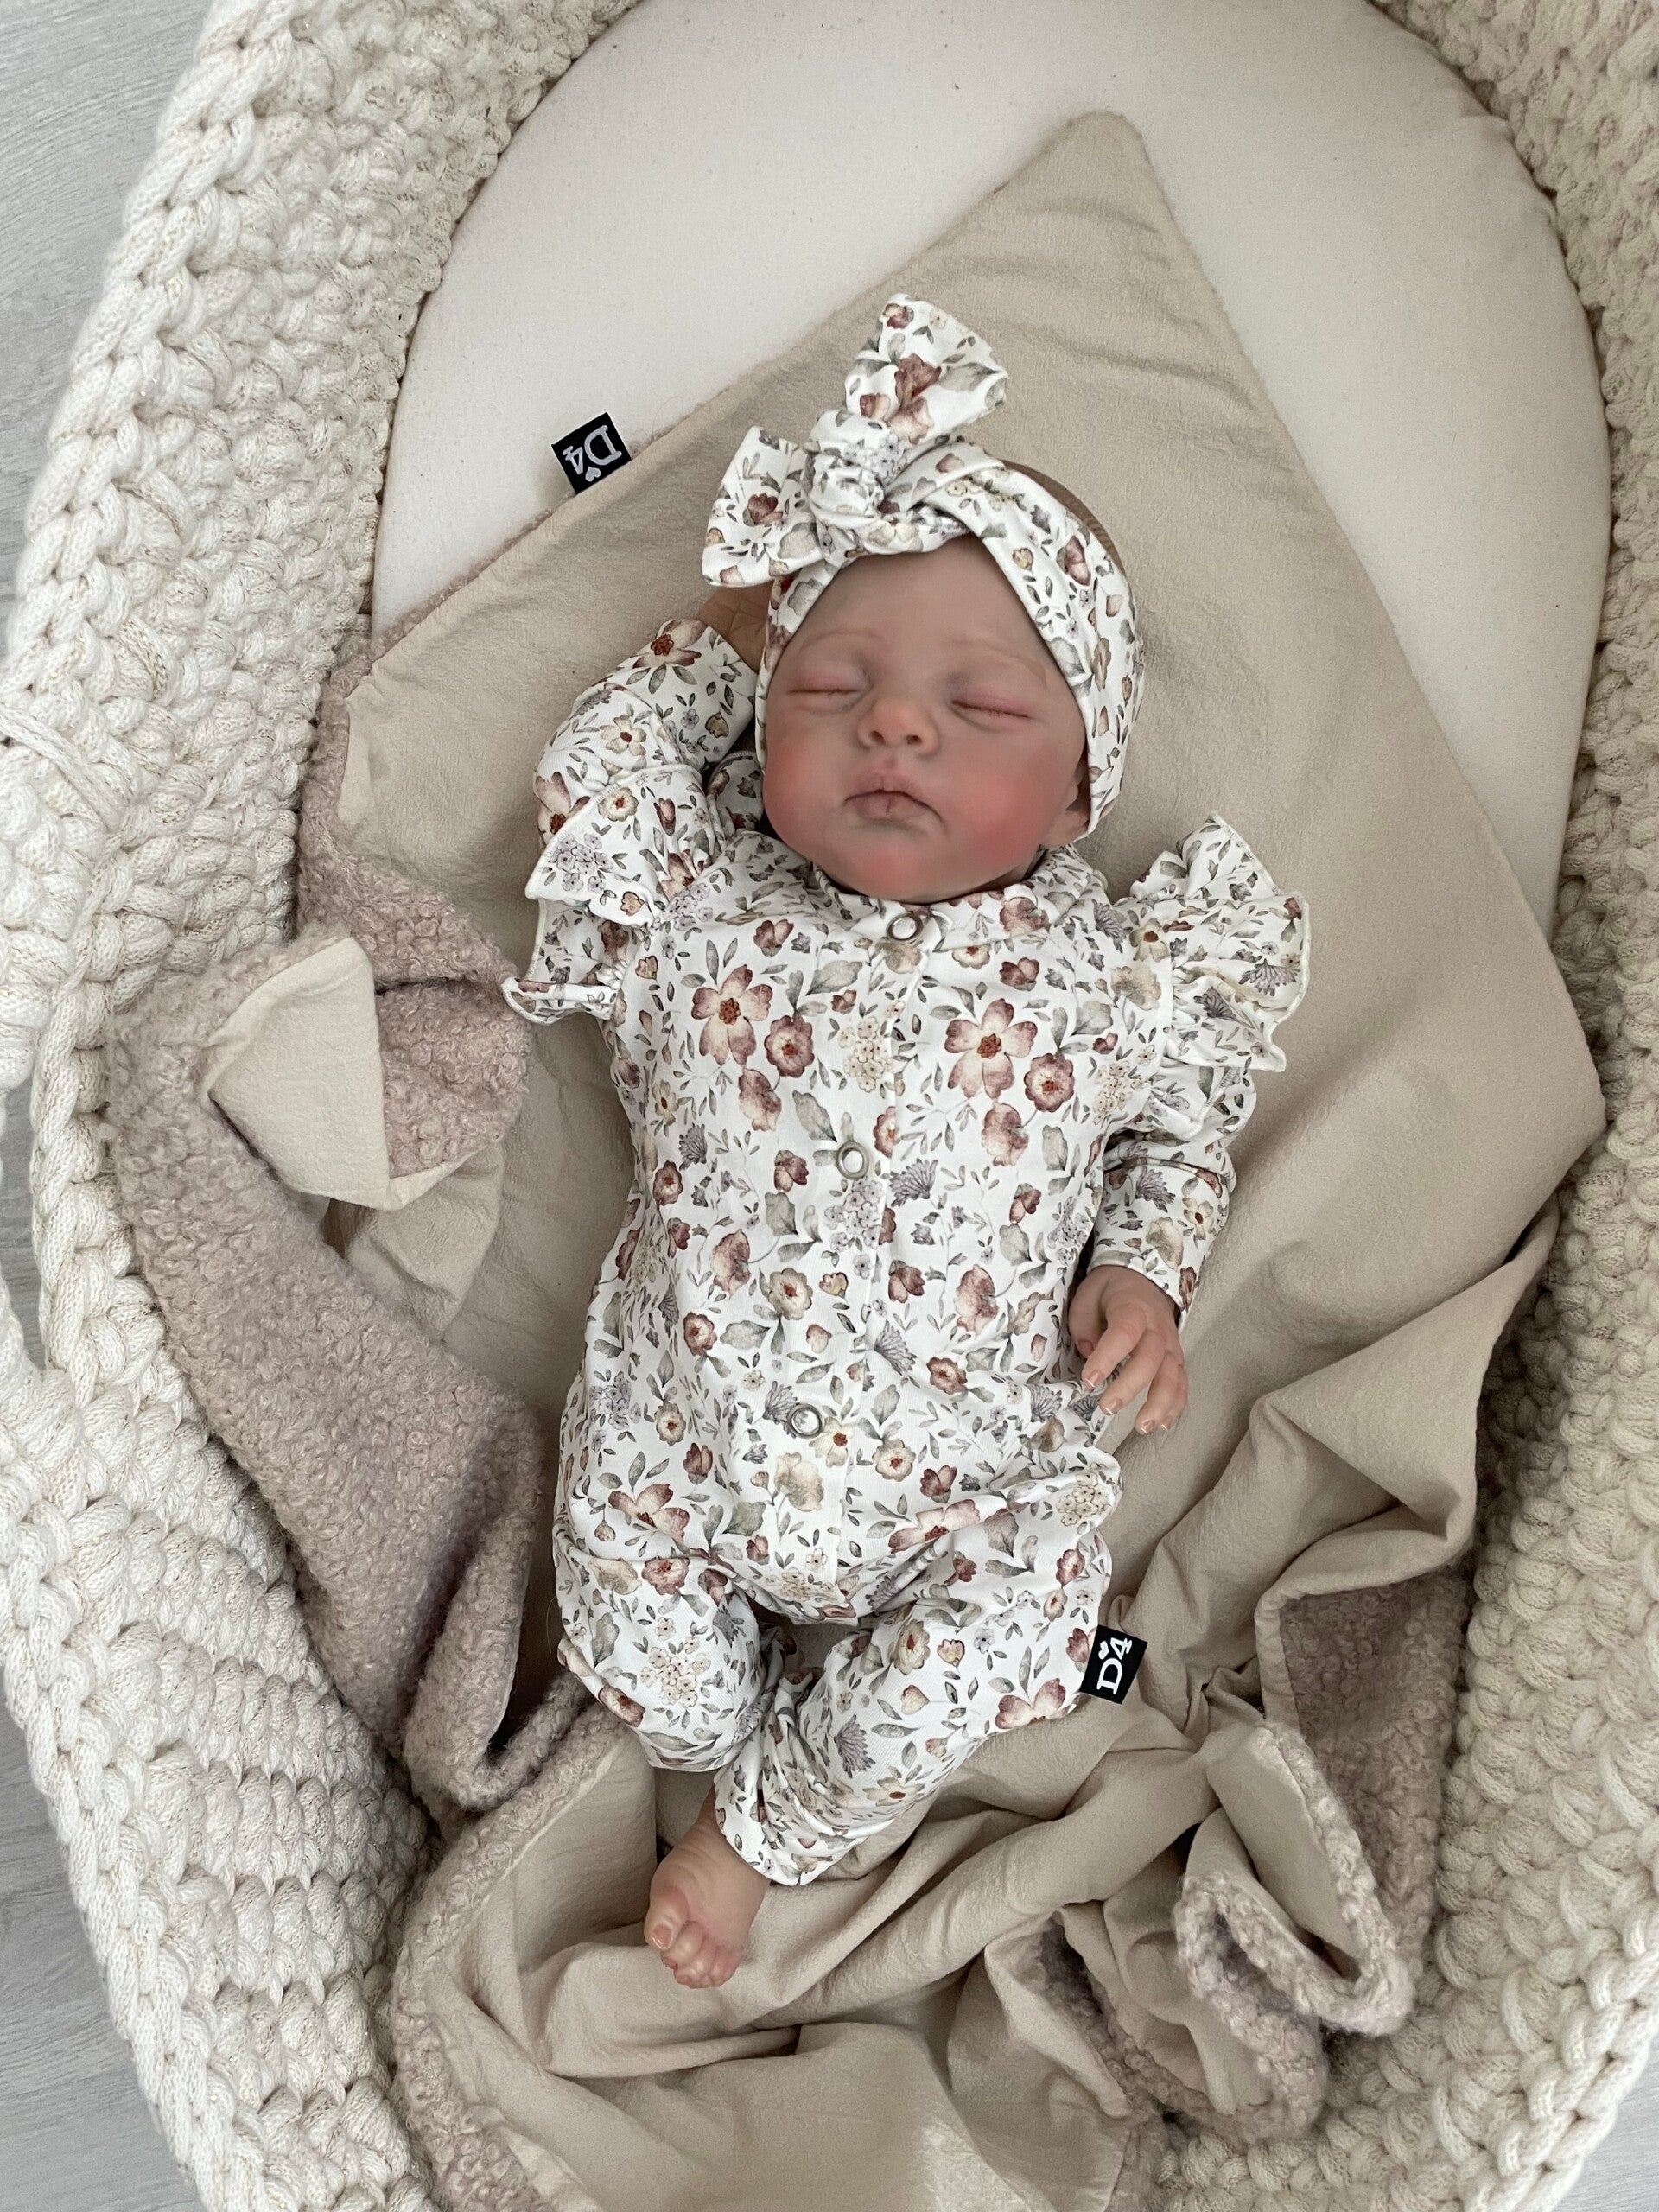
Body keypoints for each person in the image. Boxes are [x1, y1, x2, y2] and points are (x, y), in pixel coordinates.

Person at [503, 293, 1312, 1988]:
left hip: (968, 1496)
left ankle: (761, 1834)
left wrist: (1146, 1274)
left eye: (979, 706)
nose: (894, 725)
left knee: (1010, 1624)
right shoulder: (699, 889)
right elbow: (606, 770)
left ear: (1080, 790)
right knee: (650, 1678)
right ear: (764, 723)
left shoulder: (1105, 967)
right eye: (833, 687)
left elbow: (1178, 1124)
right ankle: (708, 1731)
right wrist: (738, 620)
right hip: (684, 1445)